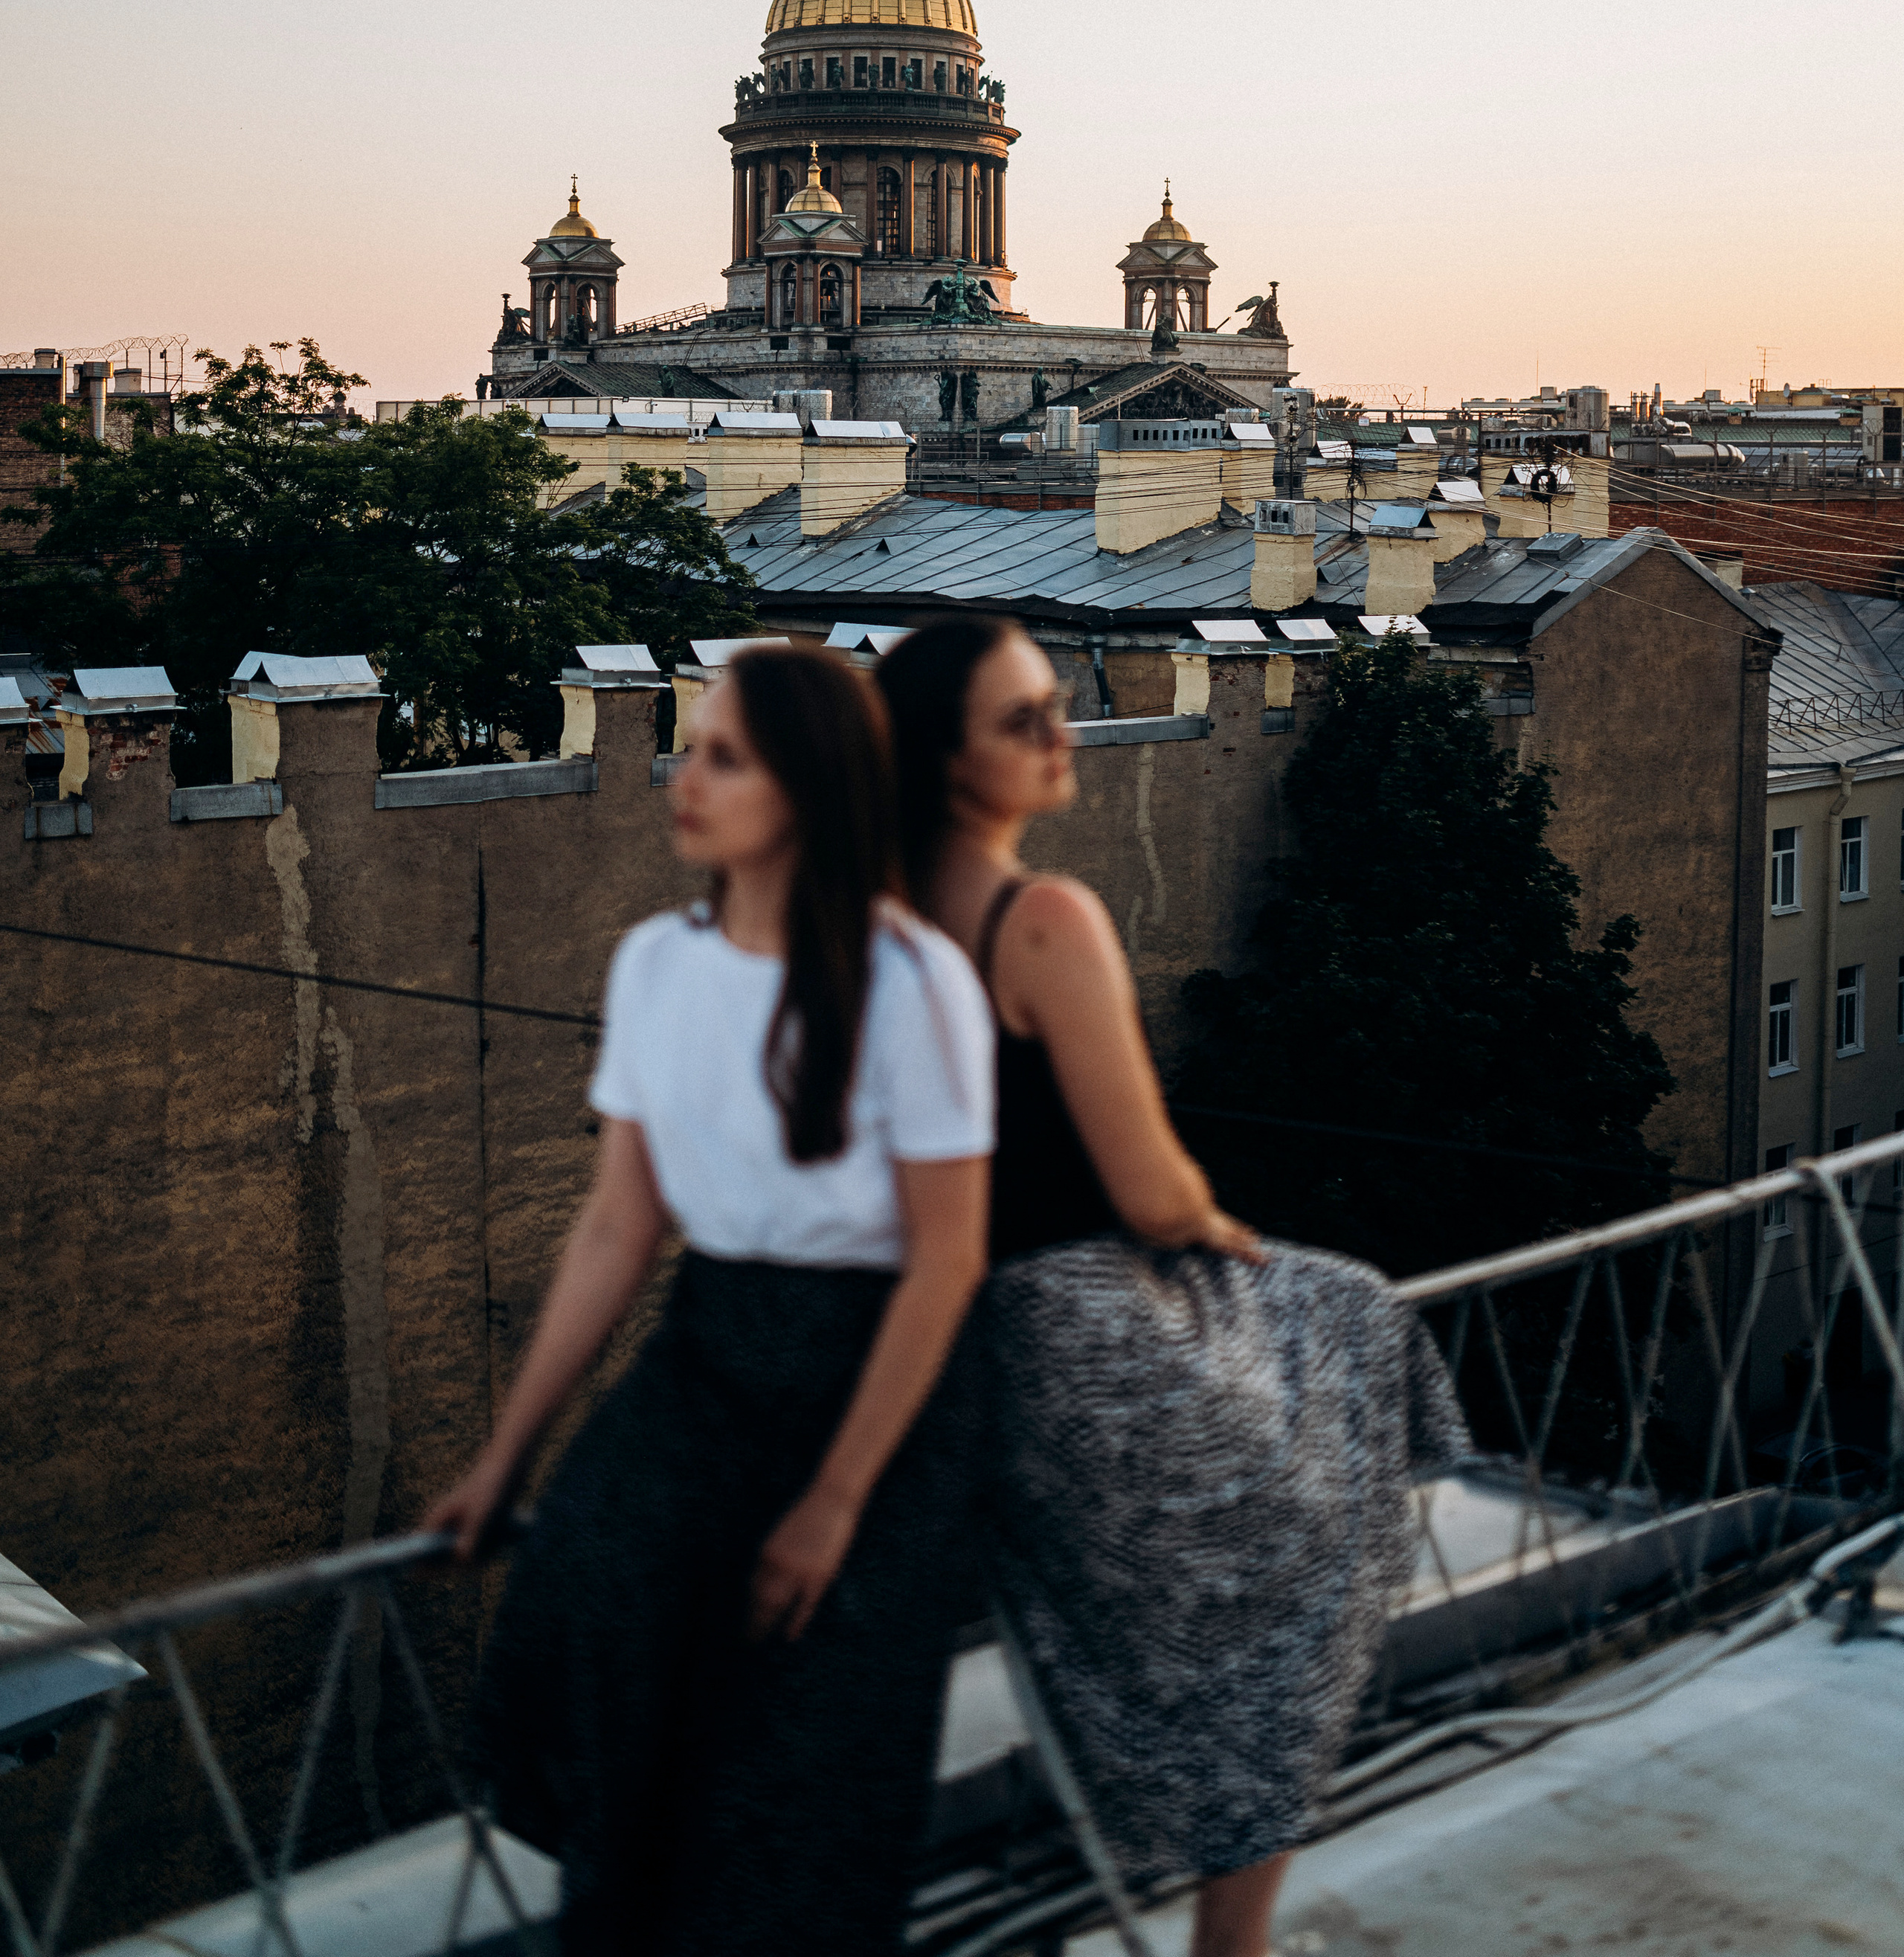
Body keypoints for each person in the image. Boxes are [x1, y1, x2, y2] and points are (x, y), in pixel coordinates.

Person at [878, 616, 1466, 1957]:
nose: (1062, 732)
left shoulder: (866, 927)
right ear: (945, 759)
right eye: (1023, 718)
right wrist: (1223, 1231)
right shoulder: (1042, 919)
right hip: (1089, 1335)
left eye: (1054, 705)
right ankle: (1231, 1944)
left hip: (956, 1358)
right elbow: (1151, 1193)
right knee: (1340, 1379)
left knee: (1165, 1630)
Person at [427, 641, 995, 1957]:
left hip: (880, 1387)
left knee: (797, 1770)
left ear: (807, 787)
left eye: (724, 756)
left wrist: (838, 1500)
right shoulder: (656, 968)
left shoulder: (917, 988)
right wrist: (507, 1458)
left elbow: (947, 1260)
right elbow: (621, 1224)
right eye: (691, 745)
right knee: (595, 1631)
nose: (685, 779)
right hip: (714, 1354)